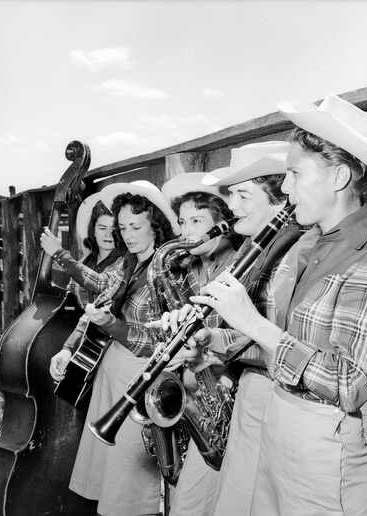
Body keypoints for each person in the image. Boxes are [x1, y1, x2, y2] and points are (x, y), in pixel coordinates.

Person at [191, 96, 367, 515]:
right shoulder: (311, 246)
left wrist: (256, 324)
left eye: (294, 173)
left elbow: (351, 384)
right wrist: (212, 337)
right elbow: (281, 350)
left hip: (323, 456)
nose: (285, 187)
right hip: (279, 437)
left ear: (340, 176)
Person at [155, 142, 301, 516]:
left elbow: (281, 341)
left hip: (269, 404)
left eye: (242, 194)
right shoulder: (254, 251)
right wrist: (207, 343)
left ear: (280, 196)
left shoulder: (290, 255)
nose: (232, 206)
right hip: (241, 397)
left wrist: (211, 349)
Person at [47, 180, 179, 516]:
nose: (129, 234)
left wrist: (111, 325)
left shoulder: (167, 269)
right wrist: (62, 256)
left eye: (136, 226)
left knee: (129, 473)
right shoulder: (129, 262)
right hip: (112, 374)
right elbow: (101, 283)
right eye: (123, 227)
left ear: (156, 226)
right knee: (110, 468)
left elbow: (158, 339)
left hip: (139, 378)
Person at [148, 172, 240, 516]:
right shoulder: (190, 268)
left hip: (223, 399)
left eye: (198, 220)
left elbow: (236, 343)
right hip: (197, 392)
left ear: (223, 224)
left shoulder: (238, 269)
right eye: (183, 221)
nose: (186, 231)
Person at [41, 192, 124, 309]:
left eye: (114, 229)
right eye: (102, 228)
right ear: (93, 230)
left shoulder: (124, 261)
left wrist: (59, 253)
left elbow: (100, 284)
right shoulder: (87, 258)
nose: (108, 234)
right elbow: (71, 293)